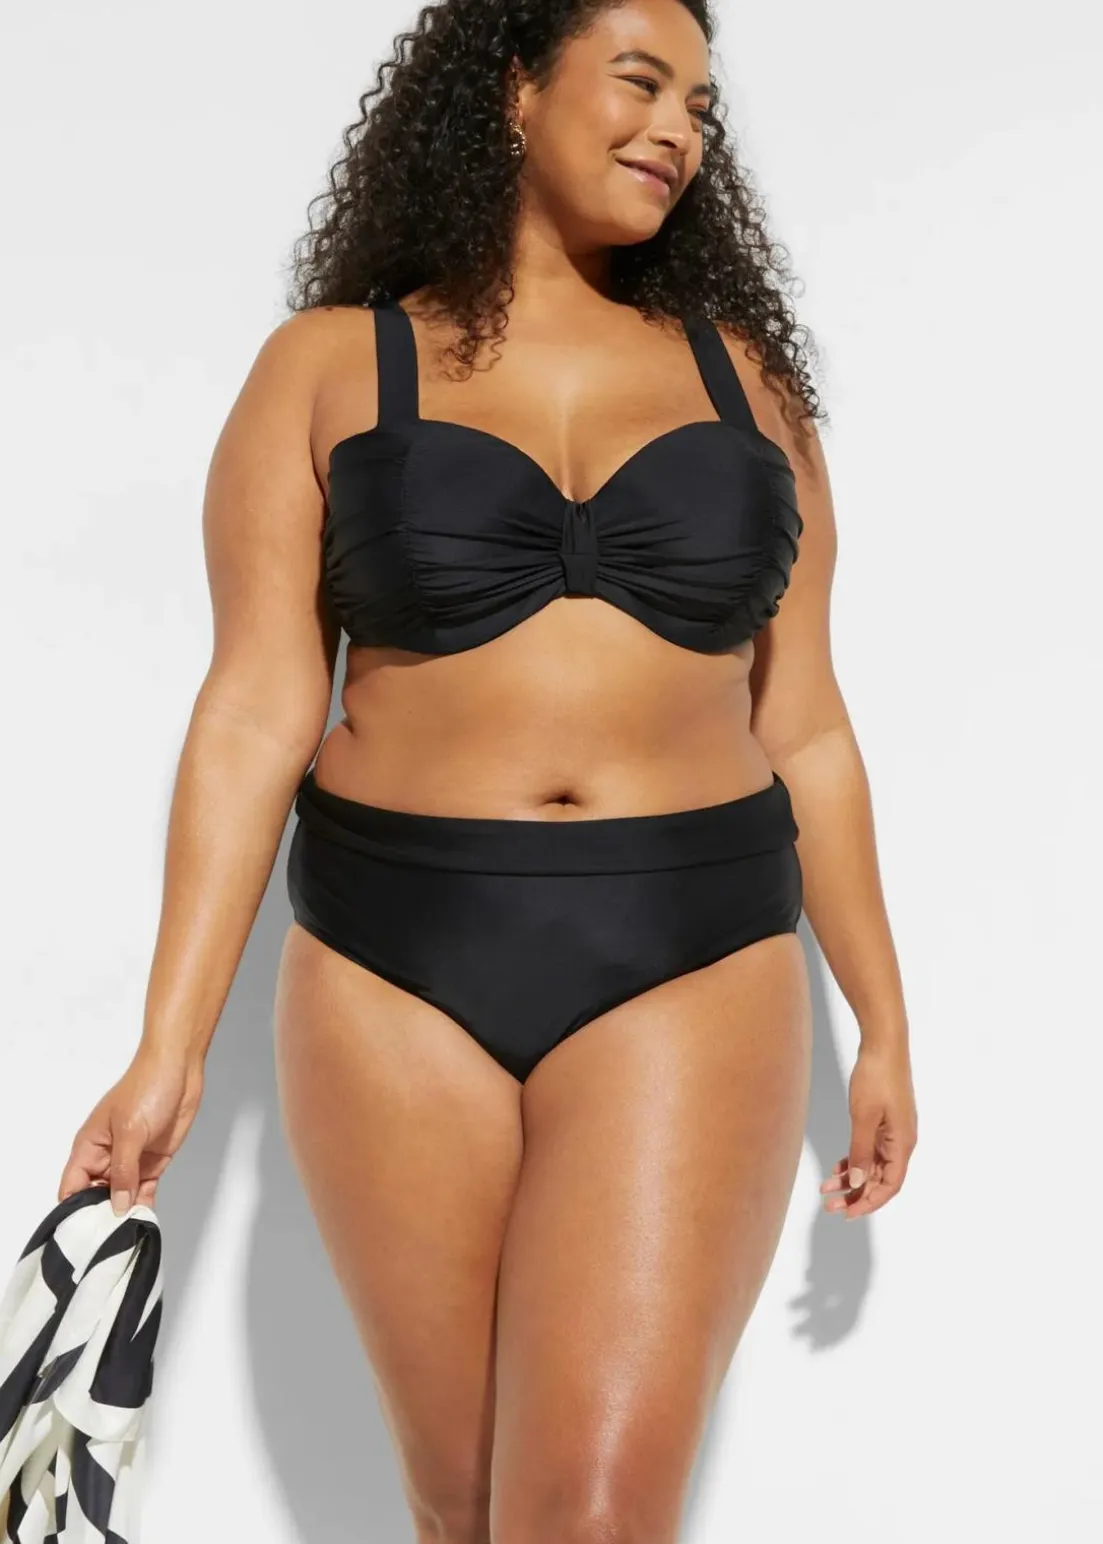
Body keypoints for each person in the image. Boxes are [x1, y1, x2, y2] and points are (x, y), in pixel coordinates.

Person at [57, 1, 917, 1539]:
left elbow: (805, 721)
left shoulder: (744, 382)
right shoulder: (326, 366)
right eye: (641, 82)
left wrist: (882, 1021)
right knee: (460, 1513)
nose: (677, 130)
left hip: (689, 947)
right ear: (515, 90)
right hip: (391, 963)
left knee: (587, 1515)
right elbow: (254, 707)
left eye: (702, 107)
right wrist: (167, 1048)